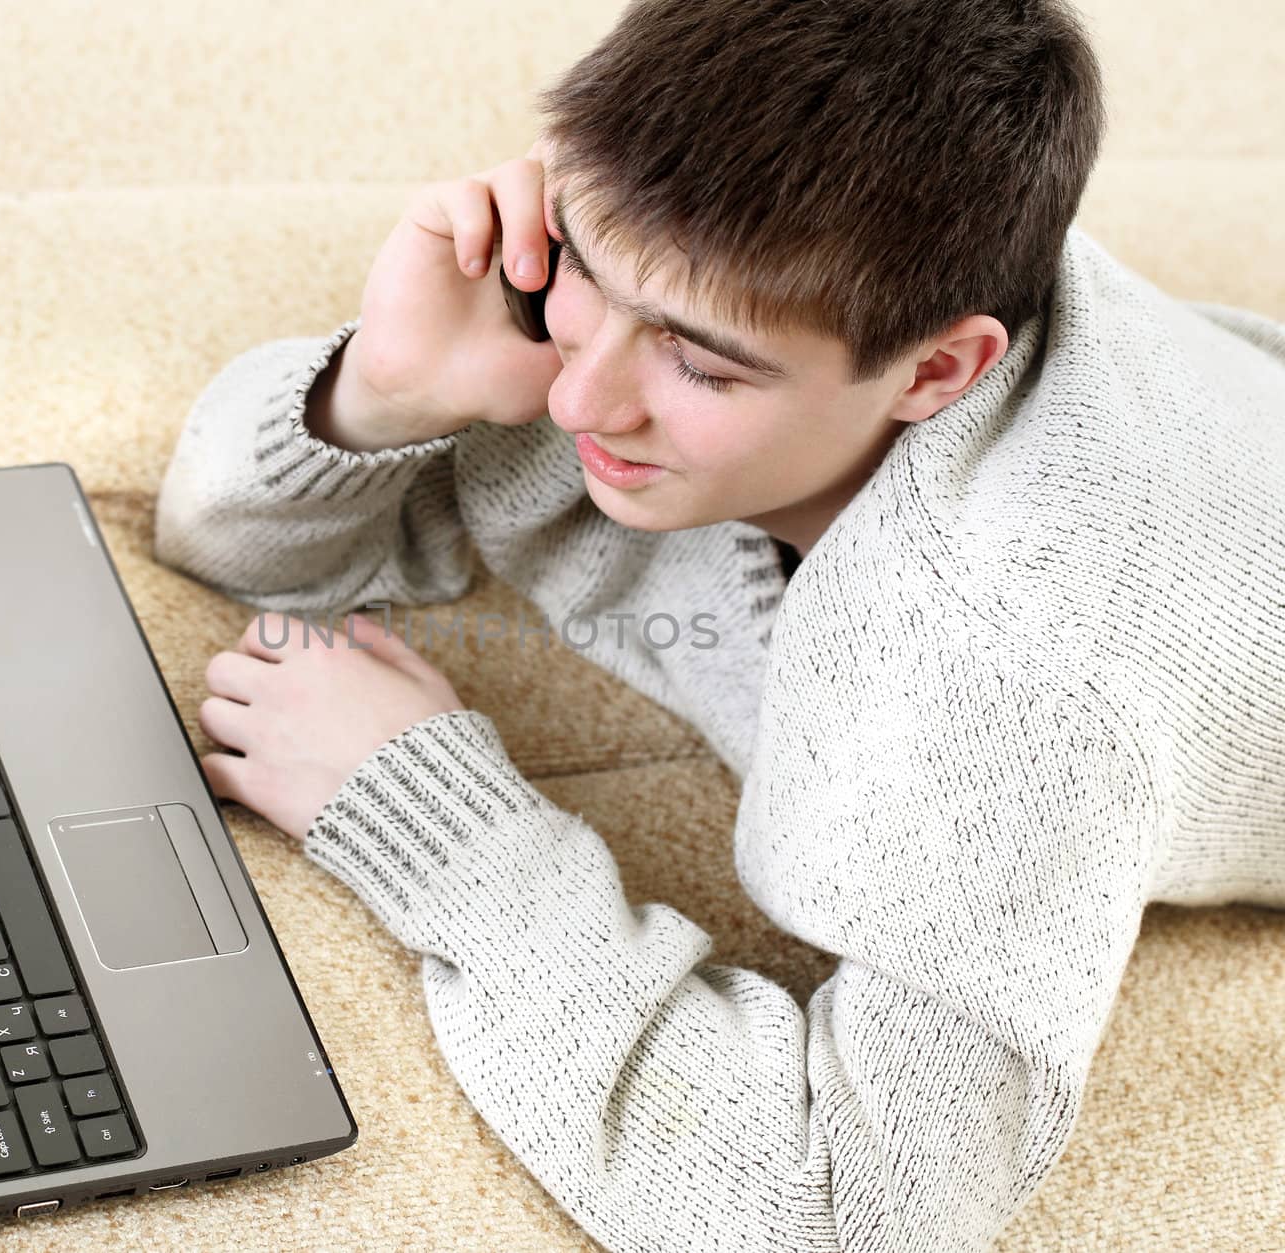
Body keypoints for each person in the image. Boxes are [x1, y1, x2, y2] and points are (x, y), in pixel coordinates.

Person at [152, 0, 1285, 1247]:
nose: (579, 395)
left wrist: (434, 822)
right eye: (581, 263)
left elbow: (842, 1214)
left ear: (934, 372)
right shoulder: (727, 285)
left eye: (702, 366)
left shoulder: (1020, 666)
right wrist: (382, 388)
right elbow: (229, 540)